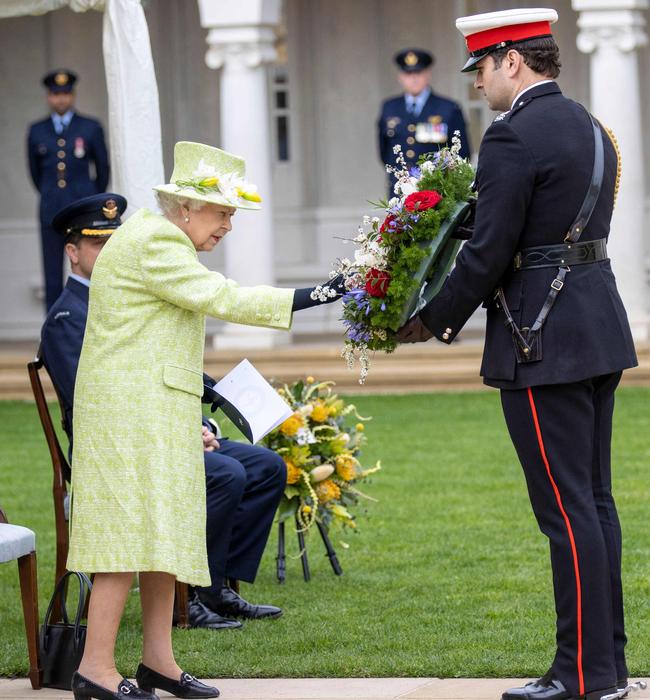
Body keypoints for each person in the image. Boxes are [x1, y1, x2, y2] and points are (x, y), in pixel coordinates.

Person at [396, 9, 637, 700]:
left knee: (566, 513)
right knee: (592, 504)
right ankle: (606, 670)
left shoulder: (511, 137)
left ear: (511, 61)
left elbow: (489, 248)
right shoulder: (593, 126)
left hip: (541, 338)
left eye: (481, 68)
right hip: (595, 325)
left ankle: (581, 676)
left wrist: (428, 319)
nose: (476, 83)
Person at [66, 142, 343, 700]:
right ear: (186, 208)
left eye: (232, 216)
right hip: (129, 413)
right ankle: (94, 669)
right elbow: (224, 297)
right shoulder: (157, 241)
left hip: (149, 407)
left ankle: (157, 663)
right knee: (126, 537)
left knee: (165, 532)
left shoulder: (157, 238)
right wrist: (322, 294)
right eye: (222, 214)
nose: (228, 227)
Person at [40, 193, 290, 634]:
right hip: (121, 442)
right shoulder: (67, 316)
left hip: (166, 424)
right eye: (98, 245)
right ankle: (190, 595)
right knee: (228, 474)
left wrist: (204, 422)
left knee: (267, 465)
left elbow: (162, 360)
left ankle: (215, 585)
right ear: (72, 251)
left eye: (113, 241)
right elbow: (95, 395)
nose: (111, 250)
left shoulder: (137, 287)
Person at [27, 69, 109, 311]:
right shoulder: (37, 130)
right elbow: (34, 173)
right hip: (51, 209)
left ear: (72, 95)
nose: (60, 99)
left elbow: (102, 170)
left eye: (65, 94)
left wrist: (91, 200)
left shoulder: (90, 127)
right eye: (55, 94)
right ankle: (54, 327)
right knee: (51, 272)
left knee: (90, 265)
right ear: (48, 97)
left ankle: (91, 320)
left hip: (83, 210)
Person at [378, 48, 470, 196]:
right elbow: (384, 152)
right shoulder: (389, 107)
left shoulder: (448, 108)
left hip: (436, 191)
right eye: (408, 74)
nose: (414, 78)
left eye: (418, 73)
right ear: (400, 77)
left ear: (428, 74)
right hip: (400, 192)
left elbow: (462, 152)